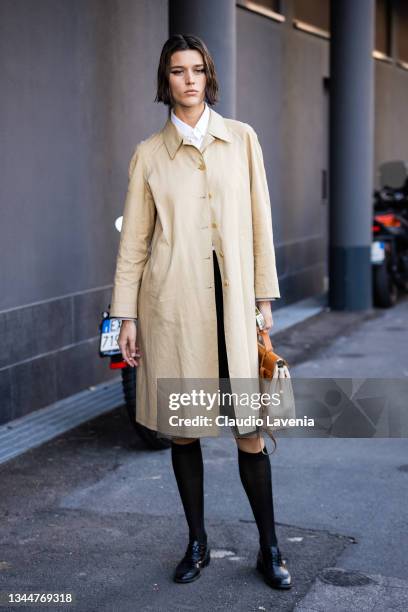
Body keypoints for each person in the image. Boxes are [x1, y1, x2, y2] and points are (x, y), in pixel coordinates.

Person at [110, 34, 292, 590]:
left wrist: (263, 302)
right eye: (176, 71)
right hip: (172, 312)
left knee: (250, 433)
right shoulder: (147, 155)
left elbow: (261, 224)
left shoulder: (242, 140)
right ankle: (197, 542)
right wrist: (126, 316)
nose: (188, 80)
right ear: (164, 82)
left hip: (234, 312)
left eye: (196, 70)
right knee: (184, 432)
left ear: (207, 76)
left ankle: (270, 547)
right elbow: (134, 244)